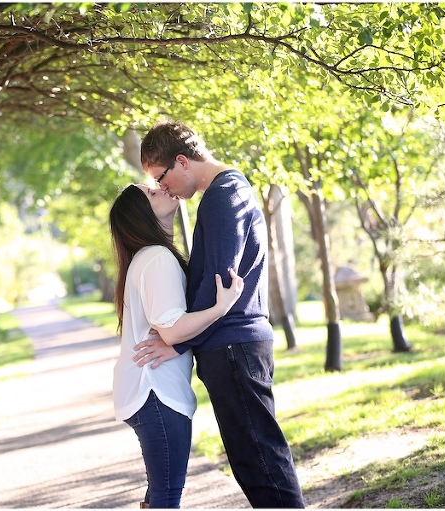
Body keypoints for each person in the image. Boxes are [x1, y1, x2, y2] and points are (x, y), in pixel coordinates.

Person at [133, 120, 306, 508]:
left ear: (182, 161)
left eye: (161, 177)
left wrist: (177, 340)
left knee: (260, 460)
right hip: (233, 344)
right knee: (254, 458)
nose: (163, 188)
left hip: (233, 345)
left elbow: (217, 283)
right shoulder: (223, 193)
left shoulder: (223, 195)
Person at [109, 183, 244, 509]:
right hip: (155, 391)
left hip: (151, 389)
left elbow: (167, 330)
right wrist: (220, 309)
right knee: (167, 498)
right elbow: (170, 330)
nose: (161, 189)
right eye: (152, 194)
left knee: (159, 494)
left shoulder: (149, 257)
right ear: (142, 215)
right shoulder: (156, 258)